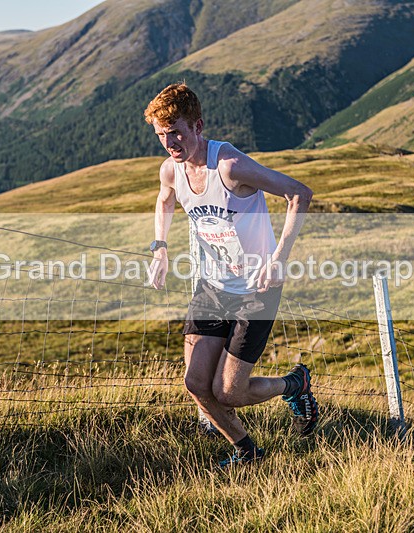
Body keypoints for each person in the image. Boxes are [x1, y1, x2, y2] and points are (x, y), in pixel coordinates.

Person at [144, 83, 318, 467]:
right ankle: (247, 451)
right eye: (161, 134)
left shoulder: (229, 166)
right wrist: (160, 247)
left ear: (198, 126)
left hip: (257, 289)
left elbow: (299, 193)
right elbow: (164, 199)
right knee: (195, 384)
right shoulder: (171, 169)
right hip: (212, 287)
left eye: (176, 131)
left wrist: (278, 257)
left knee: (228, 392)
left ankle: (295, 384)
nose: (169, 142)